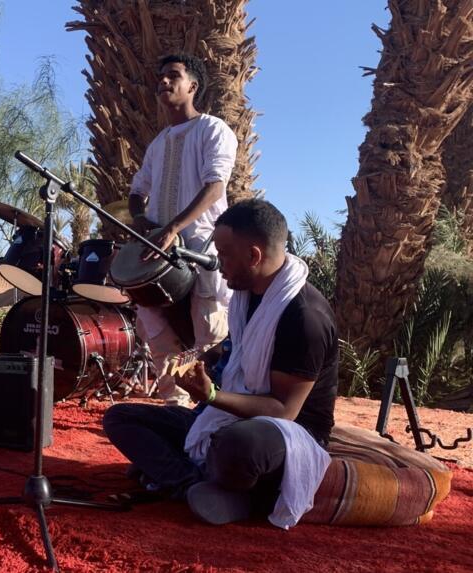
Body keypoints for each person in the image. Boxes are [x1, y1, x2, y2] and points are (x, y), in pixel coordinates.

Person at [103, 199, 339, 528]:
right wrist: (200, 361)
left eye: (225, 254)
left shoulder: (304, 317)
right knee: (120, 418)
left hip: (286, 434)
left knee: (235, 447)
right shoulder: (248, 295)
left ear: (254, 256)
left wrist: (211, 395)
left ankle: (181, 475)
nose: (217, 263)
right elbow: (233, 348)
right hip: (227, 417)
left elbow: (284, 411)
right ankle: (190, 484)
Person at [127, 52, 238, 406]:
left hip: (200, 249)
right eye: (160, 76)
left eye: (173, 75)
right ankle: (175, 409)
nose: (163, 81)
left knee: (208, 332)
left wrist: (174, 227)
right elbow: (136, 191)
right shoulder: (158, 143)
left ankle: (215, 412)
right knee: (157, 331)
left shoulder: (212, 129)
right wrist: (143, 223)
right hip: (157, 252)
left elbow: (216, 186)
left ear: (193, 85)